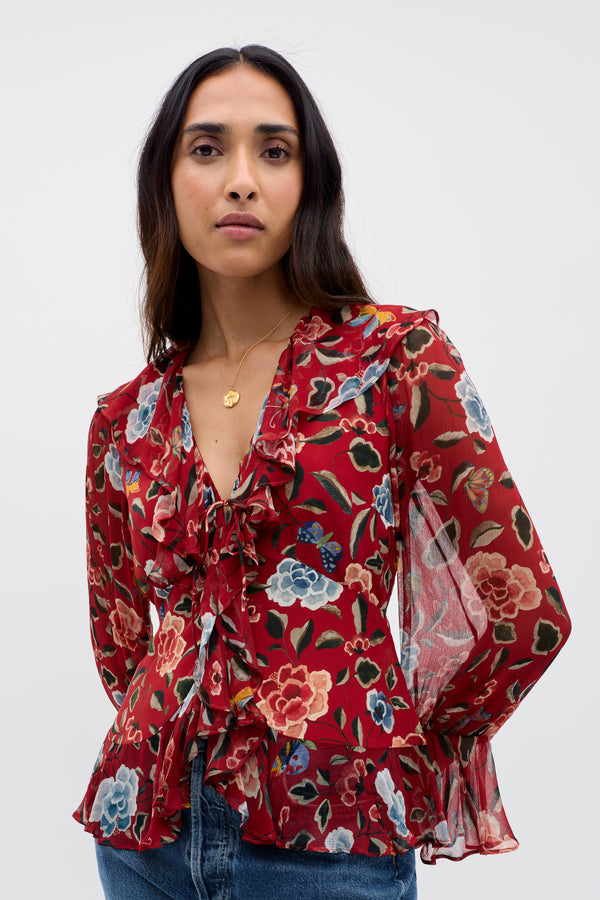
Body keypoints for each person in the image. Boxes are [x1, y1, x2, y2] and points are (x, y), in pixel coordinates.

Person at [74, 46, 571, 900]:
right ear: (165, 184)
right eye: (205, 149)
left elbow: (525, 610)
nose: (239, 180)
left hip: (331, 842)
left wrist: (398, 746)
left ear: (312, 184)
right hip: (142, 841)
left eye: (274, 150)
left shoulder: (397, 360)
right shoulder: (124, 419)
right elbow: (123, 648)